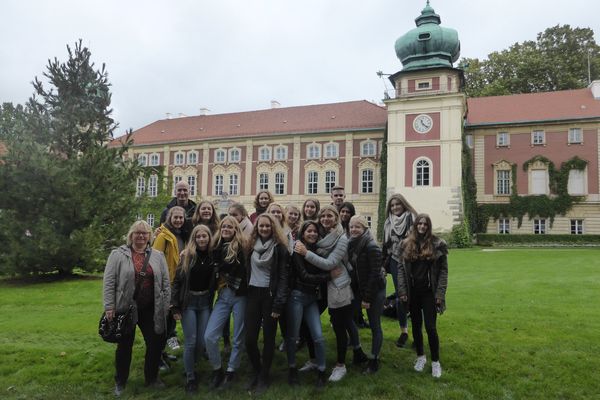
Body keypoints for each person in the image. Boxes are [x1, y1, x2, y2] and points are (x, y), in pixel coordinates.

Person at [294, 205, 367, 383]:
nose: (326, 219)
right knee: (306, 324)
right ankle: (314, 359)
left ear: (336, 218)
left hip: (338, 285)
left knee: (340, 326)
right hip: (321, 286)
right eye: (323, 216)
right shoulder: (319, 235)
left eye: (330, 216)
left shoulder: (342, 238)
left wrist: (306, 253)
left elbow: (330, 263)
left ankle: (340, 365)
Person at [102, 220, 170, 397]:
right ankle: (120, 381)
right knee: (124, 345)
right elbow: (109, 282)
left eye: (144, 233)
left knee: (155, 343)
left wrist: (164, 306)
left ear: (150, 236)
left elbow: (165, 283)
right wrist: (109, 306)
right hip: (126, 308)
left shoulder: (158, 256)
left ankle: (151, 378)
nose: (141, 235)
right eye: (137, 232)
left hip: (151, 308)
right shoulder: (118, 254)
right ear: (131, 235)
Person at [398, 214, 448, 379]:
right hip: (413, 292)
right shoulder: (406, 244)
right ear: (415, 225)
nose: (422, 226)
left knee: (431, 327)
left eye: (425, 224)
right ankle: (420, 357)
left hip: (429, 293)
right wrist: (402, 291)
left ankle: (435, 362)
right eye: (419, 223)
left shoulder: (437, 244)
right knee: (416, 326)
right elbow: (401, 269)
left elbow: (443, 272)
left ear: (429, 226)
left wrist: (440, 294)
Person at [245, 214, 290, 393]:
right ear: (256, 227)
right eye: (261, 226)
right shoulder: (250, 245)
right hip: (252, 294)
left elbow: (284, 278)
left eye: (267, 226)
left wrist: (278, 304)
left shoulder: (280, 248)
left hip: (270, 296)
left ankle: (264, 376)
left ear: (273, 228)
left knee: (269, 338)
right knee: (250, 339)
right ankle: (258, 371)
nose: (264, 229)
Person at [203, 216, 248, 389]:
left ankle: (231, 370)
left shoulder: (242, 248)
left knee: (238, 337)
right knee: (209, 336)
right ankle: (217, 369)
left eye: (230, 227)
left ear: (236, 229)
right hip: (223, 295)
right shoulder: (215, 249)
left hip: (241, 295)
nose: (226, 229)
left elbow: (238, 269)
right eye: (223, 227)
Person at [171, 225, 215, 394]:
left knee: (202, 341)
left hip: (205, 302)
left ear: (209, 238)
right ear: (194, 239)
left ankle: (192, 364)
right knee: (191, 341)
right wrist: (174, 306)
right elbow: (177, 282)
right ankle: (190, 377)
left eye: (205, 236)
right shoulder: (187, 256)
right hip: (189, 302)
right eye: (198, 236)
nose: (202, 239)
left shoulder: (213, 256)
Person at [286, 221, 329, 388]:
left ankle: (322, 371)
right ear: (303, 233)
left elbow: (324, 267)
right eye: (309, 231)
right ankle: (292, 369)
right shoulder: (298, 249)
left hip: (311, 298)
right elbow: (304, 276)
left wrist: (325, 274)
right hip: (297, 297)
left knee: (318, 336)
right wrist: (327, 277)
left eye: (315, 231)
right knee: (293, 336)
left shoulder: (318, 250)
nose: (312, 234)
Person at [347, 215, 386, 374]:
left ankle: (374, 360)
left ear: (364, 229)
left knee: (375, 325)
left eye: (358, 227)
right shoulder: (351, 243)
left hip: (375, 290)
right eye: (351, 227)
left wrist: (367, 299)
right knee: (347, 318)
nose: (354, 230)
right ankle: (358, 351)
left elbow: (374, 275)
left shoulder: (371, 246)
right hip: (359, 289)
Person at [383, 193, 417, 347]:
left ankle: (417, 334)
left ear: (404, 204)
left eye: (398, 204)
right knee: (401, 296)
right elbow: (386, 246)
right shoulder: (388, 222)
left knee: (415, 297)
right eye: (392, 205)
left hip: (411, 263)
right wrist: (383, 265)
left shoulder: (412, 218)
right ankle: (404, 331)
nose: (395, 207)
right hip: (395, 262)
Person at [153, 206, 186, 353]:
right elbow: (155, 259)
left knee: (172, 315)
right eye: (175, 217)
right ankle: (159, 351)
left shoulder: (182, 234)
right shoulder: (163, 236)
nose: (178, 220)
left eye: (181, 217)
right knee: (163, 317)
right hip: (165, 282)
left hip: (177, 281)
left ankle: (166, 345)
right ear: (170, 218)